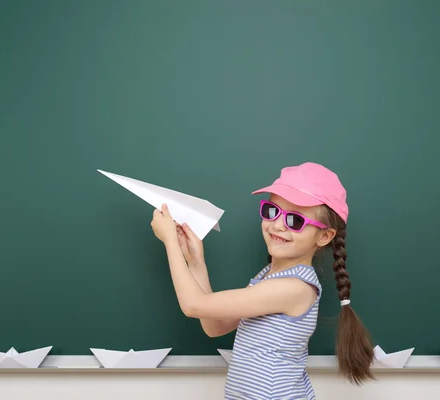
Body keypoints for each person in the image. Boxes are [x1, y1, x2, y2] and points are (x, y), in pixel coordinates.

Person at [150, 161, 374, 399]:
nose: (277, 224)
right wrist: (195, 261)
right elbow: (214, 326)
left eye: (295, 221)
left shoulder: (293, 288)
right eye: (272, 210)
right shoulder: (267, 278)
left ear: (324, 236)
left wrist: (170, 243)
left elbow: (193, 305)